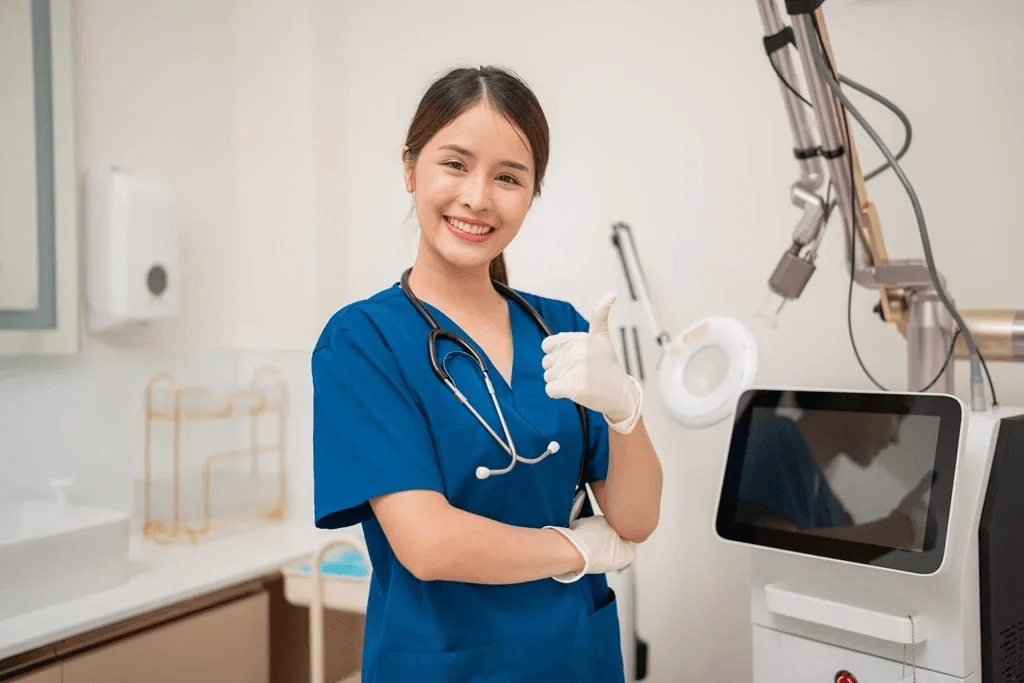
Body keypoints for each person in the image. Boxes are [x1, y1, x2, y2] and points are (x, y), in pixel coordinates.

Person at [311, 65, 664, 683]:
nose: (478, 197)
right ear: (409, 168)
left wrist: (624, 409)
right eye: (455, 163)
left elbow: (635, 519)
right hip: (444, 663)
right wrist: (576, 549)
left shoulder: (562, 328)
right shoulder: (362, 342)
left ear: (532, 193)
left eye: (508, 177)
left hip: (576, 658)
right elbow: (429, 544)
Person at [735, 407, 932, 549]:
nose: (896, 438)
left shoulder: (838, 514)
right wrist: (900, 530)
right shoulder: (773, 437)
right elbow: (771, 556)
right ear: (855, 397)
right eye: (896, 417)